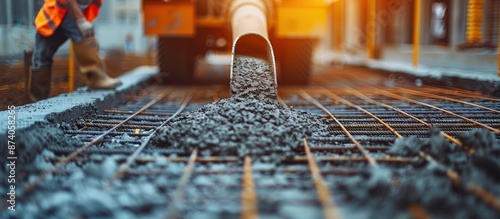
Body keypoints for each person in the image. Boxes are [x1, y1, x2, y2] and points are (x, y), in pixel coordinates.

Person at [29, 0, 121, 102]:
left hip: (70, 11)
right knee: (41, 56)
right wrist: (81, 20)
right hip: (57, 12)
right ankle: (96, 78)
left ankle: (36, 99)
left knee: (41, 56)